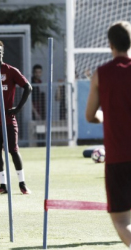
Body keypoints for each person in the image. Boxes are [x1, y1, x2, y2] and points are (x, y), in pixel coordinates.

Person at [86, 21, 131, 248]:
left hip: (118, 159)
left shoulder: (100, 74)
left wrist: (104, 115)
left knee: (122, 221)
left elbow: (90, 115)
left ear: (110, 44)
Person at [0, 40, 32, 195]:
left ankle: (22, 183)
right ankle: (3, 185)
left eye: (0, 52)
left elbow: (27, 87)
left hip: (8, 120)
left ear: (3, 53)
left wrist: (18, 108)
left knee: (13, 150)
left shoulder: (10, 70)